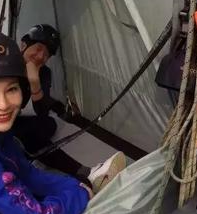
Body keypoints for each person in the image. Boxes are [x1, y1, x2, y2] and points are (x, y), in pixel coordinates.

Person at [0, 31, 122, 214]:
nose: (3, 104)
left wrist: (75, 184)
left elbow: (27, 173)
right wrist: (81, 195)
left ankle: (87, 178)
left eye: (12, 89)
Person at [11, 24, 123, 187]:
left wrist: (35, 83)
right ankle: (87, 173)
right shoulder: (7, 64)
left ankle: (32, 151)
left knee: (49, 124)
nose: (41, 56)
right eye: (39, 47)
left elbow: (41, 111)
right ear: (24, 44)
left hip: (19, 119)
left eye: (47, 54)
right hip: (2, 121)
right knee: (32, 134)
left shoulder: (44, 73)